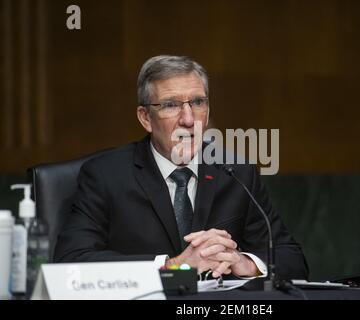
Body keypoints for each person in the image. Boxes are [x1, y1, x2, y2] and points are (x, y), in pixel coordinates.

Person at [54, 55, 309, 280]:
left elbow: (292, 259)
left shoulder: (236, 172)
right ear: (145, 118)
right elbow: (71, 262)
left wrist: (245, 263)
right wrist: (174, 266)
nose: (188, 119)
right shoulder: (105, 175)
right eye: (171, 105)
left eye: (198, 102)